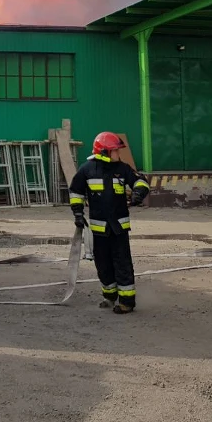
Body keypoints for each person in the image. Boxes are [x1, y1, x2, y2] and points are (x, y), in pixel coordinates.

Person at [69, 132, 150, 314]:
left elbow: (140, 181)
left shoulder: (122, 168)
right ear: (104, 152)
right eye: (115, 151)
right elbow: (76, 192)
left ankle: (127, 302)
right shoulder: (87, 170)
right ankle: (110, 296)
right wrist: (78, 214)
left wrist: (138, 193)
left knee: (122, 264)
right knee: (103, 265)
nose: (118, 154)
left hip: (119, 228)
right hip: (99, 231)